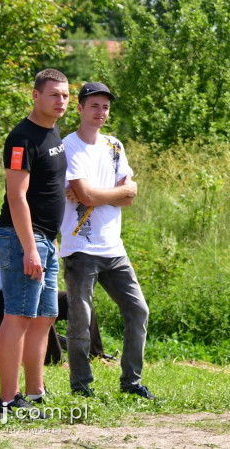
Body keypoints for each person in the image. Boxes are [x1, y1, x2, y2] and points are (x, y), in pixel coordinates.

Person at [59, 82, 154, 400]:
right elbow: (90, 194)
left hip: (113, 247)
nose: (101, 112)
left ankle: (131, 382)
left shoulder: (114, 146)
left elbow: (128, 198)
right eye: (94, 106)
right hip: (80, 248)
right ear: (80, 108)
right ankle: (82, 387)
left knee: (138, 311)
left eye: (105, 107)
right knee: (80, 321)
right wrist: (113, 193)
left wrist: (96, 195)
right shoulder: (69, 145)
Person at [0, 68, 69, 412]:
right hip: (24, 239)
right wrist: (29, 248)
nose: (61, 101)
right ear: (35, 96)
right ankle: (8, 399)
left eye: (65, 95)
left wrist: (50, 243)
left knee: (44, 317)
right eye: (54, 95)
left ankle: (36, 392)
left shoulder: (53, 133)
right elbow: (16, 197)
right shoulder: (22, 138)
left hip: (46, 241)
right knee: (18, 316)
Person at [0, 239, 106, 365]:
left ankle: (96, 356)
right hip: (4, 296)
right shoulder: (12, 234)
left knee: (77, 300)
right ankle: (56, 361)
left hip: (33, 292)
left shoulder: (39, 233)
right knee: (41, 305)